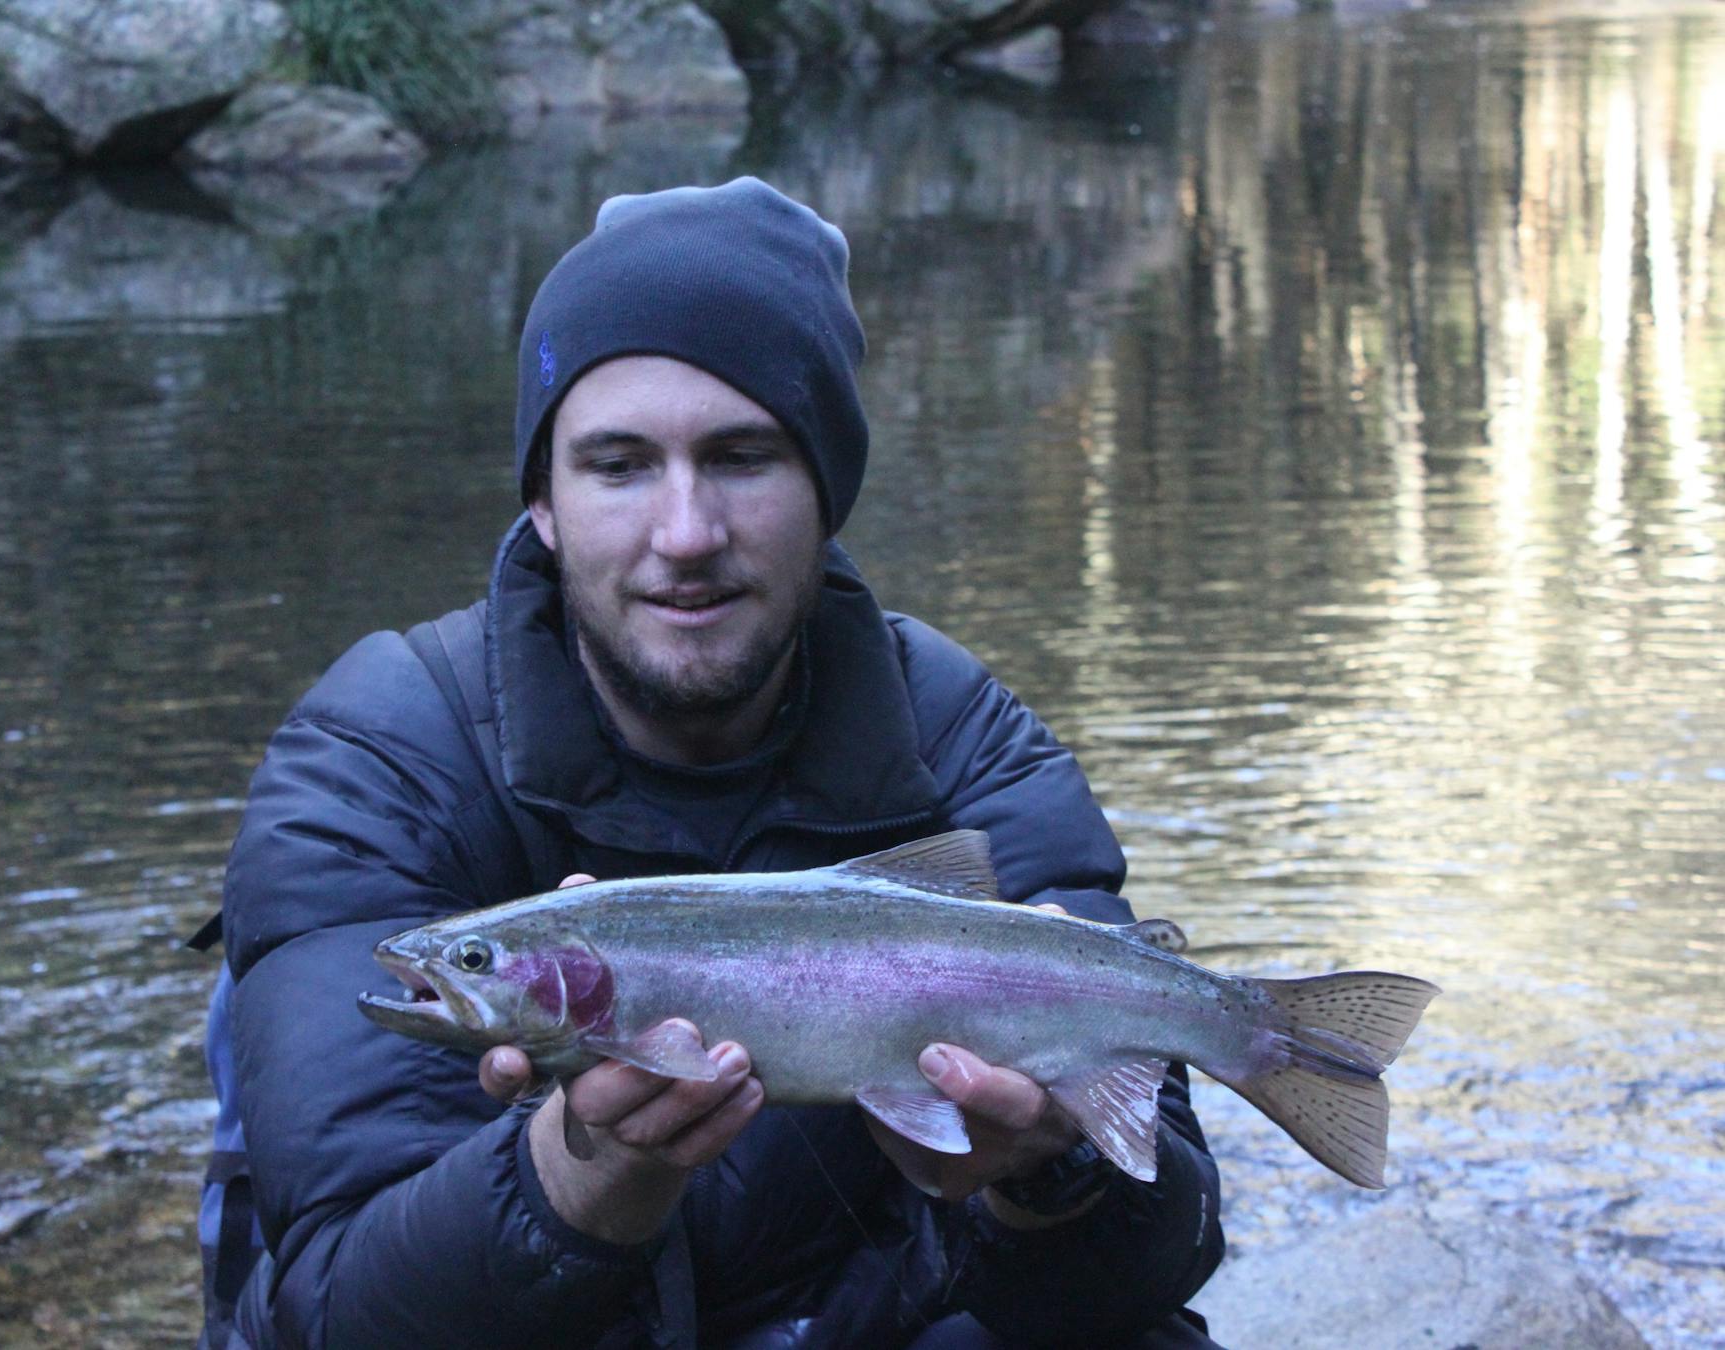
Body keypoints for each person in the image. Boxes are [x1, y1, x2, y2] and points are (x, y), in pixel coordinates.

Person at [200, 178, 1224, 1349]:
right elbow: (335, 1313)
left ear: (826, 493)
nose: (685, 533)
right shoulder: (375, 764)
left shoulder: (965, 746)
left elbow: (1157, 1259)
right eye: (619, 465)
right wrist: (577, 1176)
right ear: (543, 503)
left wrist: (1045, 1178)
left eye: (742, 458)